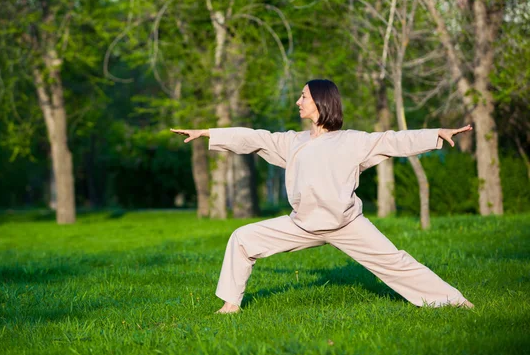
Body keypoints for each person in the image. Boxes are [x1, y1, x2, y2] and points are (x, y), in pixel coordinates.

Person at [171, 79, 474, 314]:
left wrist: (436, 133)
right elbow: (254, 137)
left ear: (320, 101)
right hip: (302, 224)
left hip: (346, 225)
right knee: (242, 238)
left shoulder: (351, 141)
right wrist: (210, 132)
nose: (297, 101)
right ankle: (230, 306)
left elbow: (393, 140)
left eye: (303, 96)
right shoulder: (293, 142)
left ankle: (454, 302)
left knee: (395, 262)